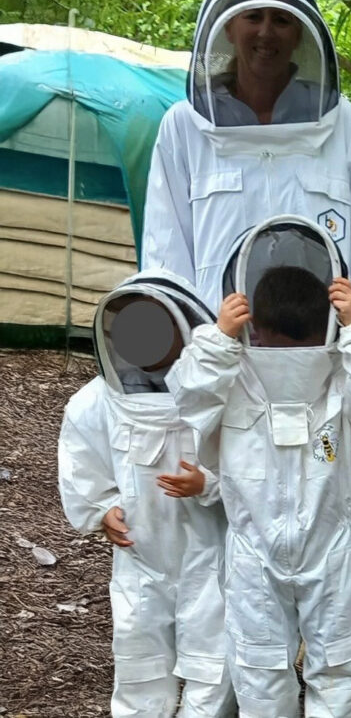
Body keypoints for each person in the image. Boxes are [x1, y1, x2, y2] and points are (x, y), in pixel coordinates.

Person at [167, 217, 351, 717]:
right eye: (278, 341)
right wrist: (218, 339)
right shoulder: (231, 377)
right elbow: (190, 396)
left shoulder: (341, 381)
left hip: (331, 548)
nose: (289, 355)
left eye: (300, 342)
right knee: (258, 669)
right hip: (253, 551)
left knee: (343, 663)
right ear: (254, 330)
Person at [142, 0, 351, 328]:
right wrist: (198, 346)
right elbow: (166, 256)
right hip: (221, 348)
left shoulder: (343, 124)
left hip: (322, 350)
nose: (266, 32)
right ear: (228, 27)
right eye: (253, 16)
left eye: (281, 19)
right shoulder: (184, 126)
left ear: (299, 34)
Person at [57, 271, 234, 717]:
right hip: (139, 553)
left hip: (209, 551)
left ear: (183, 327)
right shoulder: (95, 402)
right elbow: (82, 461)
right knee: (139, 655)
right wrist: (102, 510)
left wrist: (208, 484)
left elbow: (249, 469)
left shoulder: (220, 396)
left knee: (212, 657)